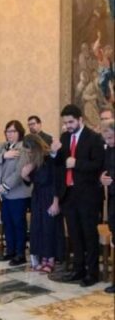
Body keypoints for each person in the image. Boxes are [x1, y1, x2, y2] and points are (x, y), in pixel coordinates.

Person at [49, 104, 105, 286]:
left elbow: (98, 165)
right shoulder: (64, 137)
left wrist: (77, 163)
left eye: (71, 122)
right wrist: (54, 152)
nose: (68, 126)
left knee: (89, 234)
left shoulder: (94, 138)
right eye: (65, 123)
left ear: (80, 120)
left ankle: (92, 273)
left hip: (88, 195)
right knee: (74, 235)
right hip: (69, 194)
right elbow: (59, 164)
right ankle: (78, 269)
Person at [0, 120, 31, 266]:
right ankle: (10, 251)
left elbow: (19, 172)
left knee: (18, 223)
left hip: (17, 193)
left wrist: (5, 186)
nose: (10, 134)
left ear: (19, 132)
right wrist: (3, 156)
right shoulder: (2, 146)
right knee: (7, 223)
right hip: (3, 193)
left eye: (13, 131)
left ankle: (20, 254)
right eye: (8, 131)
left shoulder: (24, 148)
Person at [20, 134, 61, 273]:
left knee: (50, 228)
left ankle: (50, 259)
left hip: (50, 196)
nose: (29, 153)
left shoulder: (50, 159)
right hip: (37, 197)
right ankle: (43, 256)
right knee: (38, 228)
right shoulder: (34, 161)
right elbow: (29, 180)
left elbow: (56, 181)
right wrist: (25, 174)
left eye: (30, 150)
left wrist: (56, 202)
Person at [100, 125, 115, 293]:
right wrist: (101, 178)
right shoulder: (109, 150)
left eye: (111, 138)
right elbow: (104, 171)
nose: (108, 141)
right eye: (106, 138)